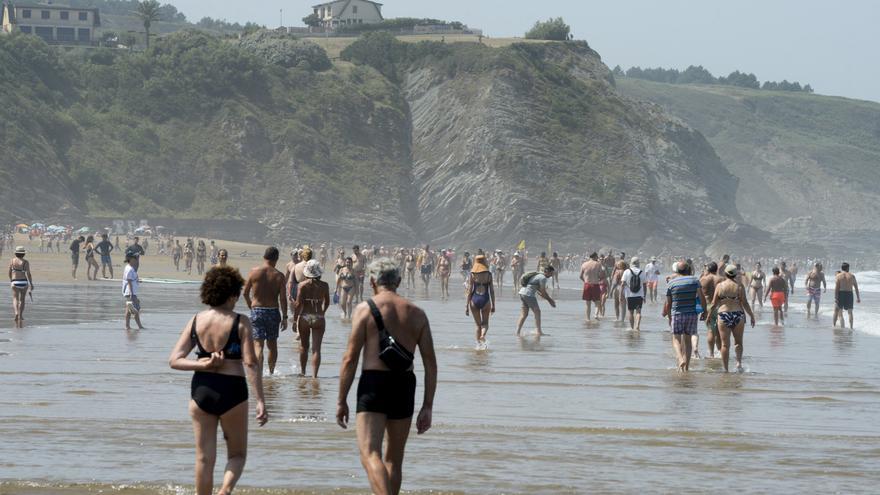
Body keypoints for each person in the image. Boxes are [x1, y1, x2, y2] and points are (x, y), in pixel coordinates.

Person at [336, 258, 438, 495]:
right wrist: (428, 406)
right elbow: (430, 363)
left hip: (374, 383)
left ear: (372, 281)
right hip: (404, 385)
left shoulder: (364, 309)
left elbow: (350, 359)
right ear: (399, 281)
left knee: (370, 454)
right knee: (394, 459)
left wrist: (341, 399)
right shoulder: (417, 314)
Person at [168, 266, 268, 495]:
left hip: (202, 391)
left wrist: (202, 364)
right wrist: (261, 400)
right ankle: (224, 491)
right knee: (237, 454)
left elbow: (174, 360)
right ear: (232, 295)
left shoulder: (196, 320)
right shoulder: (241, 322)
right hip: (232, 391)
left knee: (204, 458)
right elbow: (251, 363)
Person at [243, 247, 288, 374]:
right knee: (272, 345)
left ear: (264, 257)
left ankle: (259, 376)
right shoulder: (279, 276)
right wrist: (285, 317)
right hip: (273, 312)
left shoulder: (254, 272)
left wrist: (251, 306)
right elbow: (283, 299)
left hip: (257, 310)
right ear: (276, 259)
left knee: (258, 345)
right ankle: (271, 373)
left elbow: (245, 293)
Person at [711, 265, 756, 372]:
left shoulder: (720, 286)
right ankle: (739, 364)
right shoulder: (739, 286)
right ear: (735, 274)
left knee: (725, 344)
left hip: (723, 314)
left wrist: (709, 316)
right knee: (738, 342)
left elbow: (714, 303)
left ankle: (726, 369)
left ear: (725, 273)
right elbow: (744, 303)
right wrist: (751, 316)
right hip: (738, 314)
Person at [663, 262, 706, 372]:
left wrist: (669, 317)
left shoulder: (671, 283)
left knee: (676, 339)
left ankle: (680, 358)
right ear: (688, 270)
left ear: (677, 271)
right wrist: (704, 311)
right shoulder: (695, 280)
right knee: (687, 341)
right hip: (691, 314)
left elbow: (668, 303)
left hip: (677, 314)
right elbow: (702, 298)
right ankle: (686, 367)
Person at [294, 260, 330, 378]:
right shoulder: (324, 285)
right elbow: (327, 302)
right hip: (318, 317)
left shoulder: (302, 285)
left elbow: (298, 304)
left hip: (305, 317)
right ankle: (314, 376)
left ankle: (303, 372)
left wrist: (295, 320)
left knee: (304, 346)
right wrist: (322, 312)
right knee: (316, 349)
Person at [515, 265, 557, 337]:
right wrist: (550, 300)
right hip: (529, 294)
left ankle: (517, 332)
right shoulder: (543, 278)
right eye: (551, 273)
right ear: (547, 271)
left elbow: (539, 292)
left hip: (522, 293)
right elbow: (543, 292)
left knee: (524, 314)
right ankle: (538, 331)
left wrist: (549, 300)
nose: (551, 275)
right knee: (537, 311)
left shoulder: (538, 275)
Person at [466, 255, 495, 345]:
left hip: (474, 299)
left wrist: (466, 306)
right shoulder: (489, 274)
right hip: (485, 299)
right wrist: (493, 305)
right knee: (485, 324)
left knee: (477, 325)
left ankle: (478, 346)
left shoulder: (472, 274)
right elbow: (492, 291)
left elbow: (470, 290)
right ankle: (483, 335)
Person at [699, 262, 723, 358]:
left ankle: (711, 354)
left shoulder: (704, 279)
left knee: (710, 330)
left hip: (708, 306)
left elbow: (699, 295)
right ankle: (721, 352)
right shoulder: (722, 279)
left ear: (708, 269)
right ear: (716, 269)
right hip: (720, 306)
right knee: (718, 332)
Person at [9, 246, 33, 323]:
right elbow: (28, 273)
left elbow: (9, 272)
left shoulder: (12, 260)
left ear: (16, 253)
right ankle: (21, 315)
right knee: (22, 300)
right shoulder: (26, 262)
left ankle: (16, 312)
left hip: (14, 281)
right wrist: (31, 283)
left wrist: (11, 280)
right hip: (23, 282)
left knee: (15, 298)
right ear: (23, 254)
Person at [621, 257, 646, 331]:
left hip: (629, 295)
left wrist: (621, 295)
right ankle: (637, 326)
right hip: (639, 295)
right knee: (638, 311)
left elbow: (622, 284)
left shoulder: (627, 271)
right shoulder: (642, 272)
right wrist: (644, 295)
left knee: (631, 312)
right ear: (638, 263)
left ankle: (632, 328)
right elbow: (644, 285)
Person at [579, 252, 605, 322]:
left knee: (588, 304)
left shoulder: (584, 264)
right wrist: (600, 278)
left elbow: (580, 276)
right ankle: (596, 314)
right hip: (595, 284)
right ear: (595, 257)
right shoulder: (598, 264)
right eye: (597, 257)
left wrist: (585, 281)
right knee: (597, 302)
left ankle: (588, 319)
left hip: (587, 285)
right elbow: (601, 275)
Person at [833, 263, 860, 329]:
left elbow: (836, 288)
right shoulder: (852, 276)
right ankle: (851, 327)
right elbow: (856, 287)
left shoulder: (838, 276)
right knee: (850, 312)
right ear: (848, 268)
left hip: (841, 293)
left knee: (839, 311)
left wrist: (836, 297)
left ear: (842, 268)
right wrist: (858, 297)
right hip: (849, 294)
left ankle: (835, 326)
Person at [123, 253, 144, 330]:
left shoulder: (129, 267)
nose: (136, 260)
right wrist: (132, 294)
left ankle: (127, 326)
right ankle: (139, 326)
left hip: (131, 292)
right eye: (135, 259)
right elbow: (128, 280)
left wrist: (137, 280)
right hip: (130, 292)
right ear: (131, 259)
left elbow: (132, 279)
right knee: (136, 309)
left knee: (129, 310)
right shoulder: (130, 269)